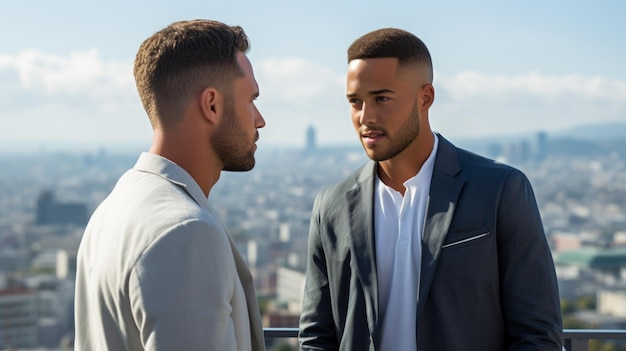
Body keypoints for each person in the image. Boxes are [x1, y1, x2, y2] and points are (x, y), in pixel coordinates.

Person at [298, 28, 563, 350]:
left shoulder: (500, 189)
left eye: (382, 98)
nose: (365, 117)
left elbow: (537, 332)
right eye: (356, 102)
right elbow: (316, 335)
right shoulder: (331, 204)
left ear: (425, 97)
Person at [74, 19, 266, 351]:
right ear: (212, 105)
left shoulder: (110, 211)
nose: (260, 118)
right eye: (251, 99)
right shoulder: (186, 230)